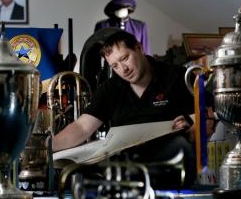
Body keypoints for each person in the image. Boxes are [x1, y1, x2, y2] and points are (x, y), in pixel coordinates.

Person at [53, 31, 215, 187]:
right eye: (115, 65)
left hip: (172, 159)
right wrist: (47, 147)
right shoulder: (110, 88)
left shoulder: (177, 77)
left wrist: (191, 132)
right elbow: (82, 128)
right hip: (126, 164)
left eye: (125, 58)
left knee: (179, 146)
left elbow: (208, 117)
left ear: (139, 48)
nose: (123, 69)